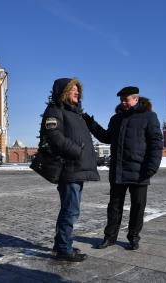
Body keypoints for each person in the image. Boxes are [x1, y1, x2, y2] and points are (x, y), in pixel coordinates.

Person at [83, 86, 163, 250]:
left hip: (140, 171)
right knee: (114, 206)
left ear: (136, 99)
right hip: (118, 171)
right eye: (121, 100)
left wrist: (152, 167)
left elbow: (156, 143)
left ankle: (133, 237)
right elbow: (106, 137)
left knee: (138, 206)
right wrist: (91, 124)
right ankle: (110, 237)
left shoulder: (149, 117)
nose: (123, 103)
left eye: (126, 100)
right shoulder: (116, 119)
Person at [41, 78, 100, 262]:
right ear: (63, 92)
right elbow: (54, 136)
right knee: (70, 211)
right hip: (69, 168)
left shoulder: (76, 113)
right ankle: (63, 250)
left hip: (77, 168)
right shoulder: (55, 110)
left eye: (78, 90)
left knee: (70, 209)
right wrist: (77, 151)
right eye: (73, 89)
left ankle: (61, 245)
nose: (77, 92)